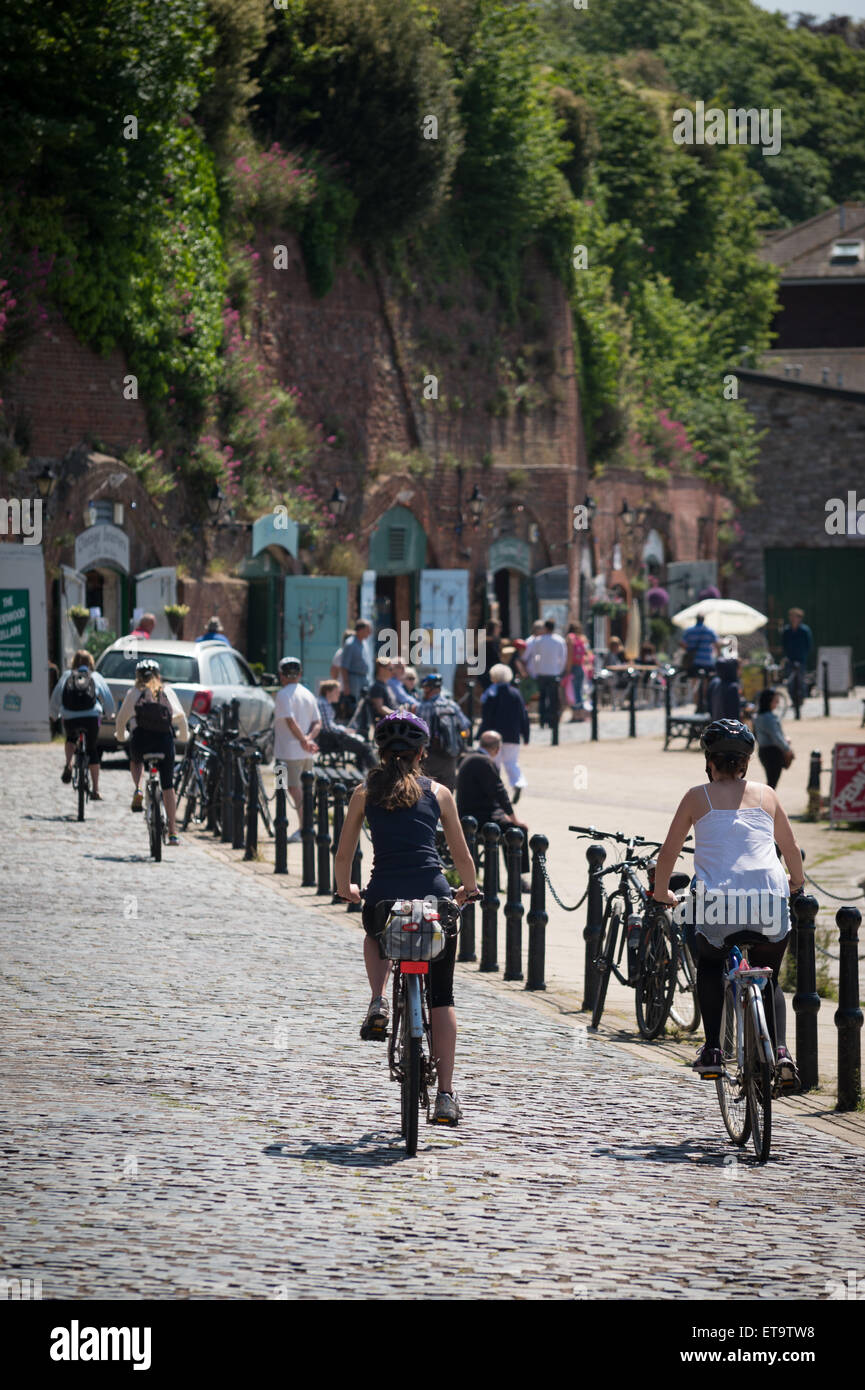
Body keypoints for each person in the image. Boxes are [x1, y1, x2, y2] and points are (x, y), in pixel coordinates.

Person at [334, 711, 479, 1125]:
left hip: (384, 897)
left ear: (380, 751)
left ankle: (379, 999)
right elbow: (462, 855)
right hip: (433, 898)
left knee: (374, 932)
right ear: (422, 752)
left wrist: (346, 887)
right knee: (443, 997)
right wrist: (468, 889)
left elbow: (344, 854)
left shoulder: (364, 792)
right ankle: (447, 1096)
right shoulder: (440, 792)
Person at [652, 718, 804, 1084]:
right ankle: (781, 1051)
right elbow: (790, 848)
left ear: (710, 761)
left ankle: (713, 1050)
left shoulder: (695, 797)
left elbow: (668, 853)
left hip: (718, 902)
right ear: (745, 763)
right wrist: (795, 884)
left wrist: (662, 893)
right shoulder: (767, 795)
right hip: (769, 897)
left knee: (710, 963)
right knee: (770, 978)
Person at [115, 659, 188, 843]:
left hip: (141, 741)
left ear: (137, 676)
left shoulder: (133, 693)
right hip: (164, 742)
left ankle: (138, 788)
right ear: (158, 675)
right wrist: (183, 738)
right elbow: (181, 718)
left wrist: (121, 736)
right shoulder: (166, 691)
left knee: (136, 761)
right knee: (168, 786)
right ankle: (172, 831)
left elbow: (121, 721)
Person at [456, 730, 530, 881]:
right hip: (480, 818)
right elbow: (500, 792)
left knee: (507, 825)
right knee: (517, 830)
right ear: (497, 749)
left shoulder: (469, 758)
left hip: (467, 815)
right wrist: (514, 819)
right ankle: (517, 879)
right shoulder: (484, 761)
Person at [50, 649, 115, 800]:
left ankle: (68, 763)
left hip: (70, 717)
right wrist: (110, 713)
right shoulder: (95, 676)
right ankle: (96, 789)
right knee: (92, 750)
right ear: (91, 663)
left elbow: (57, 695)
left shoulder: (67, 675)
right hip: (91, 717)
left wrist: (53, 715)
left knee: (71, 738)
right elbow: (107, 697)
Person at [273, 656, 321, 842]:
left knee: (289, 789)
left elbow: (290, 721)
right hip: (304, 752)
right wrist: (309, 739)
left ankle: (303, 827)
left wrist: (303, 740)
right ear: (299, 674)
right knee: (302, 788)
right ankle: (295, 823)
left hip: (286, 752)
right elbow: (318, 722)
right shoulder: (308, 694)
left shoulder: (283, 694)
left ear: (282, 675)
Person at [478, 663, 530, 801]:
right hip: (512, 735)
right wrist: (526, 735)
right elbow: (523, 715)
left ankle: (495, 789)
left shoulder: (490, 693)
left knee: (494, 763)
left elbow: (486, 717)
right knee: (512, 762)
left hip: (493, 737)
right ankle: (518, 783)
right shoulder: (515, 693)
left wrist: (480, 734)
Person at [416, 672, 471, 790]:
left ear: (428, 688)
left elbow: (419, 733)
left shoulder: (423, 707)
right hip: (450, 756)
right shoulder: (452, 705)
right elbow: (466, 729)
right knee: (447, 792)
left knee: (428, 792)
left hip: (429, 756)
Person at [316, 680, 377, 770]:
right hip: (332, 740)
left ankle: (362, 773)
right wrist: (344, 731)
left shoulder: (324, 703)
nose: (339, 695)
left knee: (361, 746)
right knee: (365, 747)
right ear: (328, 692)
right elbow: (328, 727)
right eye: (336, 692)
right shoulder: (323, 704)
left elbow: (329, 725)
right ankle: (374, 771)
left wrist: (344, 729)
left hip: (332, 737)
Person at [524, 618, 567, 729]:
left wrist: (536, 670)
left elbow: (534, 658)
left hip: (541, 673)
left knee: (542, 698)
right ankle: (552, 721)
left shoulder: (538, 640)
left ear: (545, 628)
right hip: (553, 673)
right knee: (553, 699)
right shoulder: (559, 640)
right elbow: (563, 658)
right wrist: (559, 670)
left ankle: (542, 721)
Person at [754, 688, 793, 789]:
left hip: (763, 751)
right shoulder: (768, 718)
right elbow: (776, 737)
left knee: (771, 781)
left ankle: (766, 803)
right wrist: (787, 750)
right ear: (769, 701)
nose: (778, 703)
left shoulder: (757, 717)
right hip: (773, 752)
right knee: (772, 784)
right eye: (776, 701)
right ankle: (766, 803)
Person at [339, 619, 373, 714]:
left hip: (364, 677)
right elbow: (344, 666)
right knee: (355, 704)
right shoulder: (350, 644)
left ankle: (363, 726)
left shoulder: (364, 643)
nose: (369, 633)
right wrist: (346, 684)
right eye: (367, 630)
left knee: (365, 704)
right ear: (360, 630)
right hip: (354, 678)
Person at [781, 608, 813, 707]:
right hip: (790, 659)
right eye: (792, 616)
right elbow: (784, 644)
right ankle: (794, 701)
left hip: (801, 659)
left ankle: (800, 701)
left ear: (799, 618)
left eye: (795, 616)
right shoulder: (787, 630)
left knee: (800, 681)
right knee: (790, 683)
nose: (793, 619)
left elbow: (809, 645)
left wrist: (804, 655)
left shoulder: (805, 630)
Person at [564, 622, 590, 722]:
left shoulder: (570, 637)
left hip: (574, 667)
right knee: (579, 691)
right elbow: (586, 654)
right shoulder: (581, 638)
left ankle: (576, 715)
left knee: (572, 692)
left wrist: (568, 669)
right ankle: (580, 714)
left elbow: (570, 654)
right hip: (581, 667)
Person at [368, 656, 398, 721]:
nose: (393, 672)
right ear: (381, 669)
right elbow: (380, 708)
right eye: (390, 669)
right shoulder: (377, 687)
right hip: (386, 726)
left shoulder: (386, 685)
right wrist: (397, 714)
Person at [477, 620, 502, 692]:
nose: (500, 630)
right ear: (493, 628)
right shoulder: (487, 640)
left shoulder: (495, 640)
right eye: (498, 627)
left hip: (492, 671)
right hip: (487, 671)